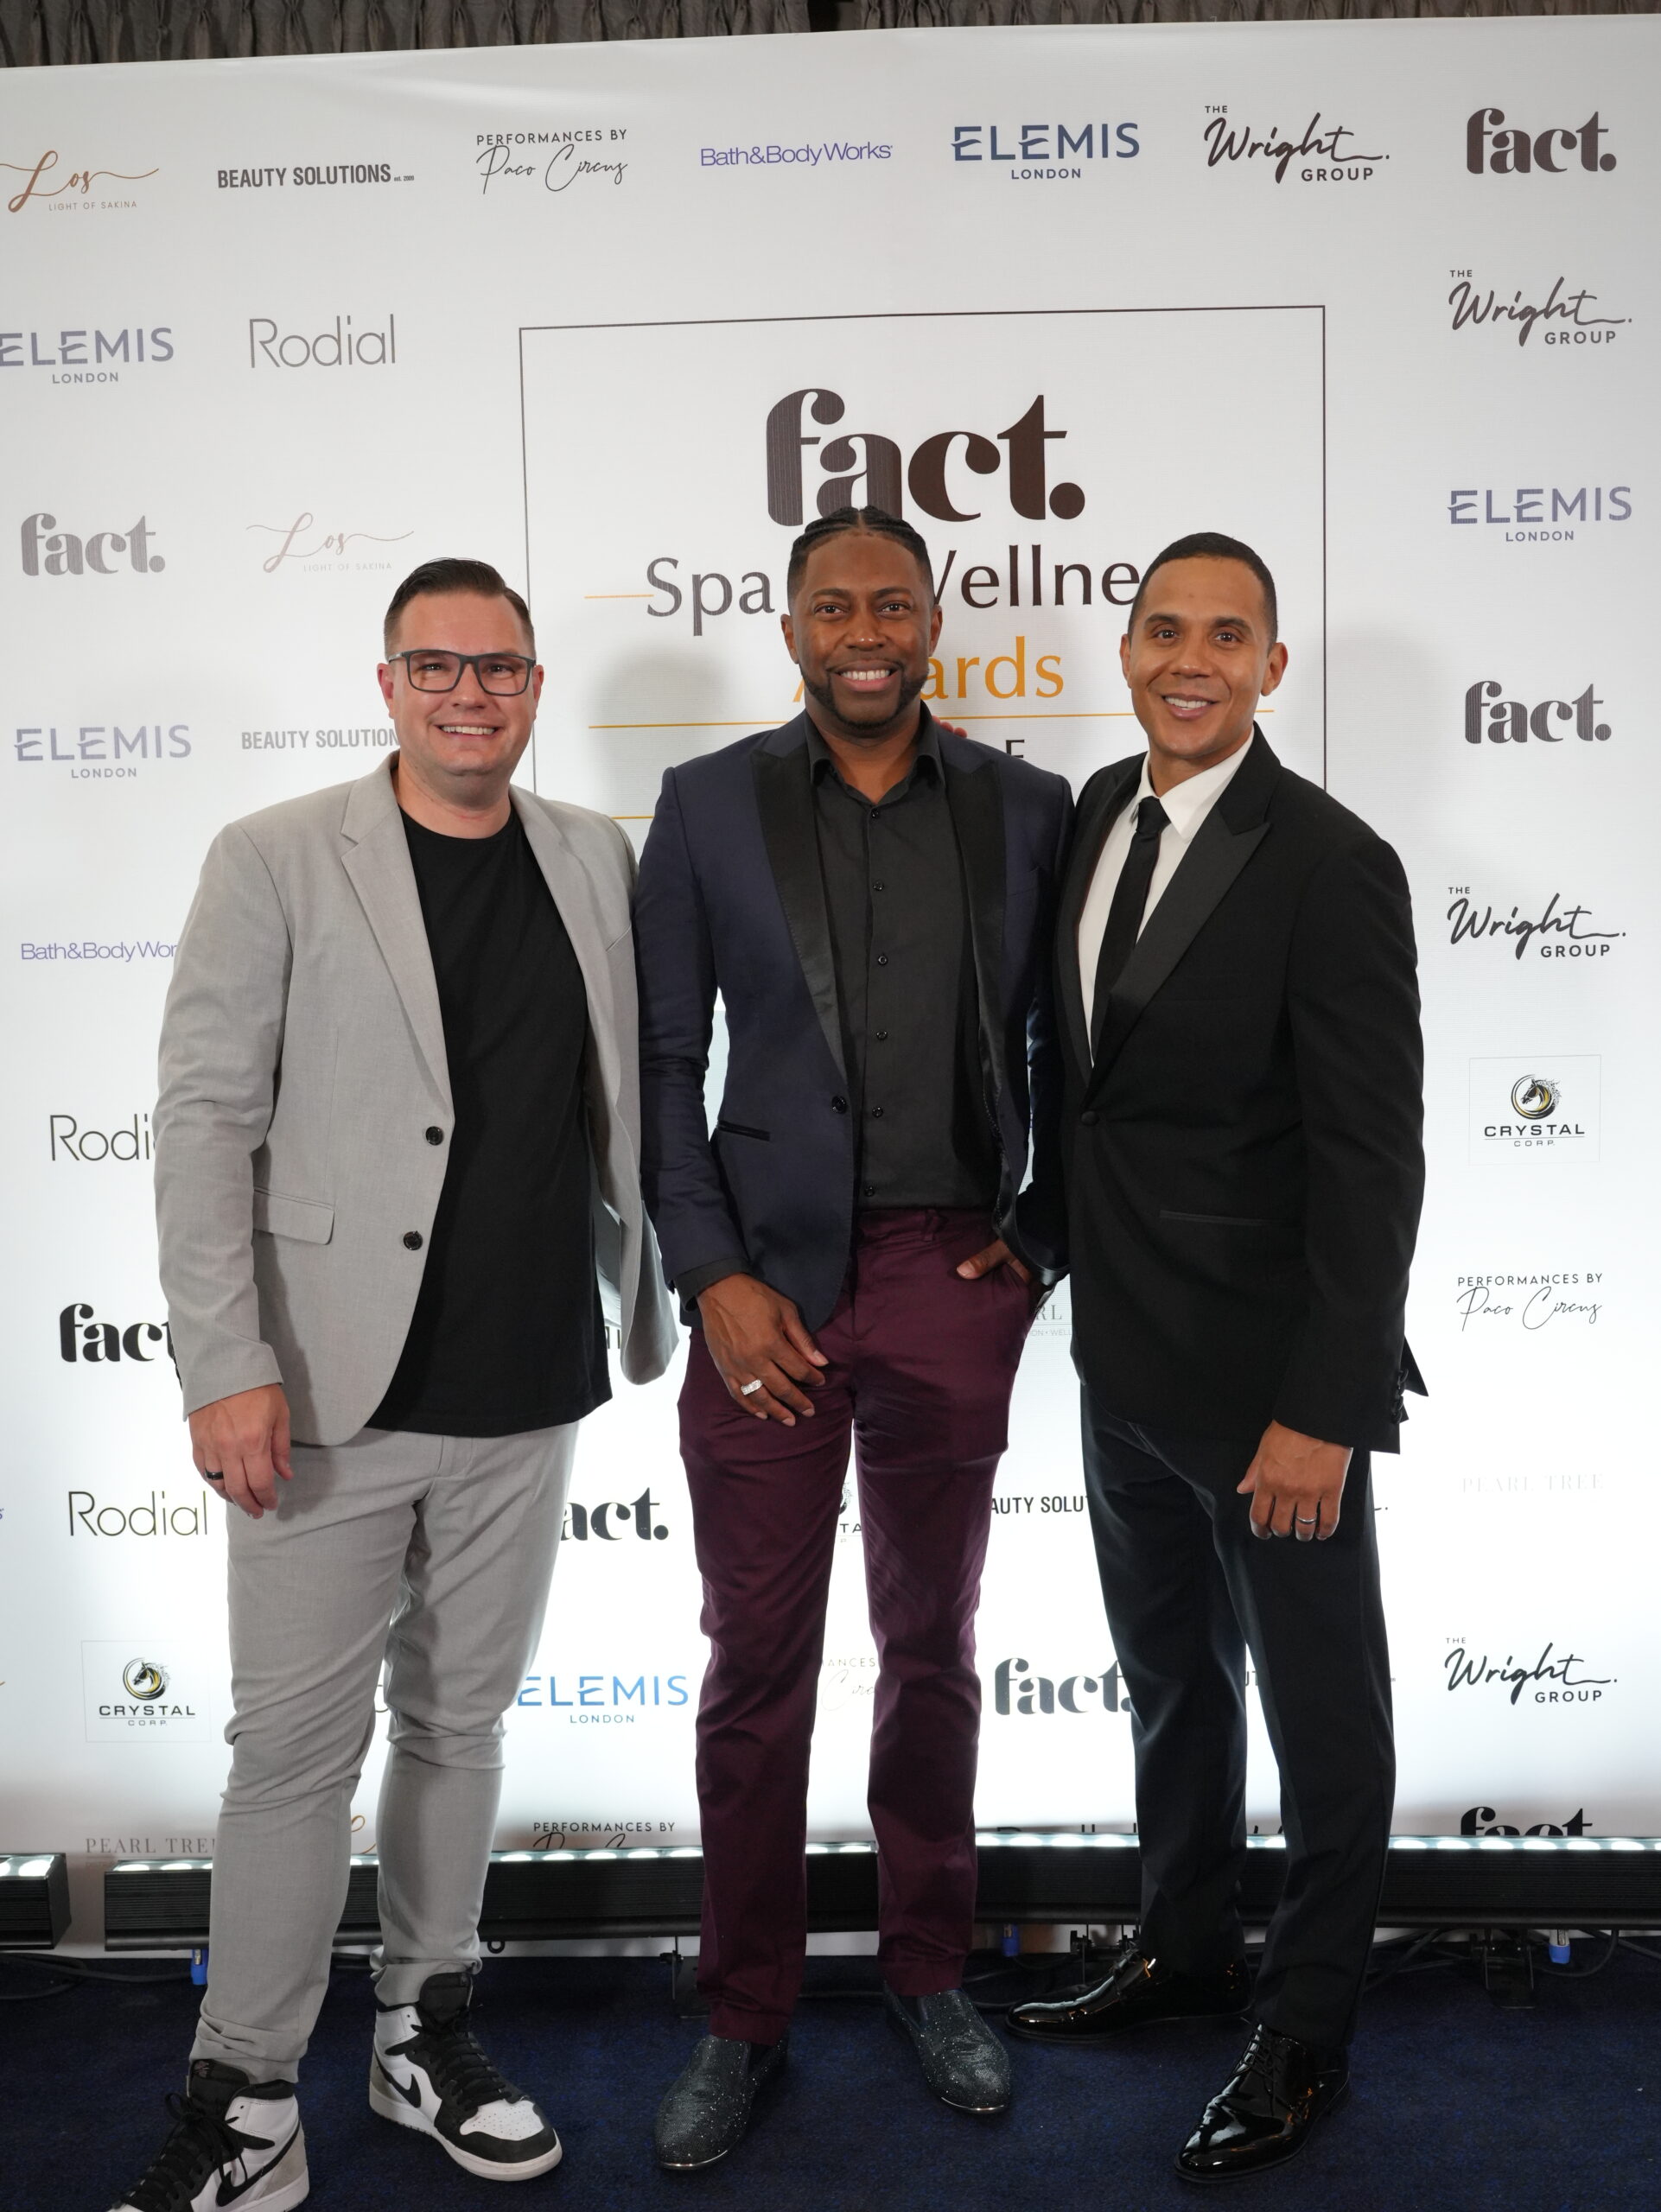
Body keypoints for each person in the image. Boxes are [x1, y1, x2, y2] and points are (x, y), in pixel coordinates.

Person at [116, 557, 674, 2212]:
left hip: (529, 1380)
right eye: (435, 667)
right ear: (386, 685)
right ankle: (246, 2097)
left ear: (532, 687)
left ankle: (425, 2027)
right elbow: (203, 1123)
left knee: (459, 1728)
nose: (467, 694)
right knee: (292, 1755)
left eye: (496, 668)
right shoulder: (274, 854)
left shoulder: (591, 854)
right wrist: (225, 1363)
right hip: (320, 1391)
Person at [633, 505, 1072, 2169]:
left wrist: (1037, 1238)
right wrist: (708, 1273)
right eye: (835, 607)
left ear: (934, 622)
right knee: (755, 1662)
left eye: (893, 604)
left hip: (951, 1273)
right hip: (765, 1287)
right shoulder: (704, 806)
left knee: (933, 1645)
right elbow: (664, 1061)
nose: (865, 632)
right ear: (792, 627)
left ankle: (929, 1970)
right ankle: (743, 2013)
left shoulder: (1026, 808)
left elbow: (1071, 1048)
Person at [1007, 532, 1423, 2183]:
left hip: (1268, 1394)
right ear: (1125, 649)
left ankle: (1305, 2027)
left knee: (1324, 1721)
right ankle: (1183, 1949)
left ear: (1269, 667)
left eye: (1226, 636)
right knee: (1172, 1679)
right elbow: (1089, 1087)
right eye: (1163, 628)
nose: (1190, 659)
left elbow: (1371, 1162)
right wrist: (1036, 1235)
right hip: (1118, 1363)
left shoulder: (1330, 862)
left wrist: (1327, 1408)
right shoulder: (1095, 812)